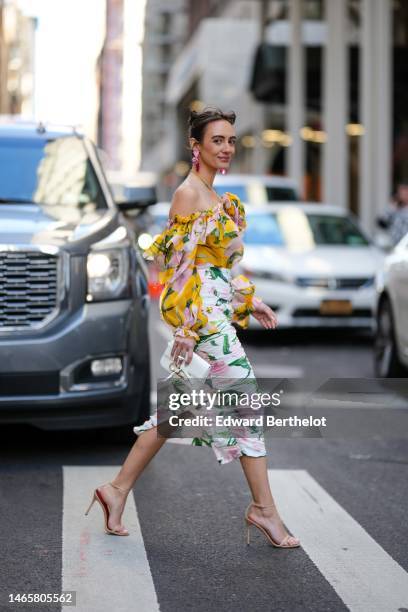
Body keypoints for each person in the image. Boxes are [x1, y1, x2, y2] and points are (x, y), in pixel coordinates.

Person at [84, 107, 301, 549]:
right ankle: (264, 510)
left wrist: (249, 299)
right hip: (202, 321)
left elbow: (215, 267)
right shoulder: (189, 194)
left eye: (231, 140)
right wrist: (186, 327)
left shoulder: (217, 197)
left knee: (176, 410)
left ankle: (116, 490)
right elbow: (178, 271)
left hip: (215, 314)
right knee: (247, 405)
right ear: (195, 146)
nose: (226, 148)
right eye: (217, 140)